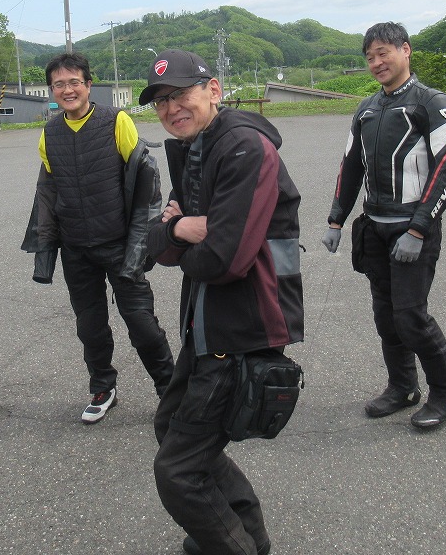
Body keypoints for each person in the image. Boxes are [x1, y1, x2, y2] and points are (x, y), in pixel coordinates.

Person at [142, 49, 304, 555]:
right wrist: (180, 229)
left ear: (213, 90)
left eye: (180, 94)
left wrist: (179, 232)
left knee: (178, 470)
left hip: (243, 326)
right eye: (161, 101)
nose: (171, 108)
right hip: (206, 324)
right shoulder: (195, 148)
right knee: (170, 428)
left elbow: (223, 259)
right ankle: (249, 539)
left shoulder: (243, 148)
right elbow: (158, 245)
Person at [322, 21, 446, 430]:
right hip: (375, 228)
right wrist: (336, 219)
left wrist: (418, 230)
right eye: (370, 57)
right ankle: (403, 387)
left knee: (411, 317)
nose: (377, 62)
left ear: (406, 50)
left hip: (411, 229)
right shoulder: (366, 109)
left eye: (383, 53)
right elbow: (351, 166)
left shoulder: (431, 103)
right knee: (386, 317)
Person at [31, 52, 173, 424]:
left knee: (141, 324)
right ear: (52, 90)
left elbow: (147, 184)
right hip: (76, 247)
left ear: (88, 85)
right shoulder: (49, 133)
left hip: (119, 243)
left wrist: (141, 245)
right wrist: (46, 247)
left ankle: (171, 390)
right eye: (59, 84)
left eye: (74, 82)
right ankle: (102, 386)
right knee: (90, 327)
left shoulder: (116, 121)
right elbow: (48, 192)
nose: (67, 90)